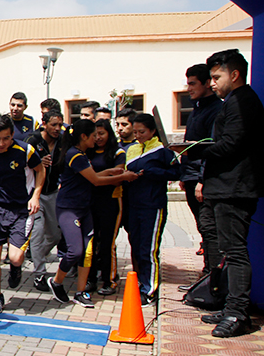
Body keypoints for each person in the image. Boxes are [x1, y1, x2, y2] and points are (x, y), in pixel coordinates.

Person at [178, 49, 264, 337]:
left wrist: (193, 149)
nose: (212, 83)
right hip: (226, 186)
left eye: (216, 77)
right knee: (229, 251)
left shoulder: (243, 102)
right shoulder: (233, 102)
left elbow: (231, 145)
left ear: (235, 74)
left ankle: (238, 313)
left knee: (236, 252)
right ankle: (230, 304)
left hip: (235, 187)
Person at [46, 120, 137, 307]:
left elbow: (91, 175)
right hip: (69, 209)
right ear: (84, 137)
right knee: (75, 251)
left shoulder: (82, 154)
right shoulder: (75, 155)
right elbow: (95, 180)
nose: (97, 138)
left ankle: (81, 292)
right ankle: (56, 281)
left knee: (87, 252)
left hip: (84, 209)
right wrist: (123, 177)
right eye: (94, 135)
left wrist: (111, 171)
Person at [0, 114, 45, 313]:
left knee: (15, 258)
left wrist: (35, 196)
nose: (1, 143)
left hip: (21, 210)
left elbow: (41, 171)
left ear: (13, 135)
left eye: (6, 138)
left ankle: (15, 268)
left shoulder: (25, 151)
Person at [125, 112, 179, 307]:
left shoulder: (162, 151)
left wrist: (154, 173)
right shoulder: (131, 150)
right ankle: (140, 283)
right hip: (133, 206)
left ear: (152, 131)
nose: (138, 135)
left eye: (142, 131)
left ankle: (150, 289)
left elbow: (177, 172)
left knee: (149, 249)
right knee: (137, 247)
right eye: (135, 131)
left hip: (153, 206)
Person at [177, 63, 222, 289]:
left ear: (206, 84)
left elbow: (211, 149)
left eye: (193, 83)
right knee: (203, 227)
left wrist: (202, 180)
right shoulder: (197, 108)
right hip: (192, 176)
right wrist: (185, 174)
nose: (189, 88)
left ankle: (213, 281)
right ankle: (207, 277)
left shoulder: (216, 110)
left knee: (209, 228)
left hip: (204, 180)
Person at [24, 110, 65, 289]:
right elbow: (22, 165)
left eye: (60, 125)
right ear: (44, 124)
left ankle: (36, 253)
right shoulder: (32, 141)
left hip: (53, 192)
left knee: (56, 234)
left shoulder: (63, 142)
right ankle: (39, 274)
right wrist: (38, 163)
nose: (57, 129)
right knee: (38, 232)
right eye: (54, 125)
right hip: (35, 195)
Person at [87, 119, 126, 296]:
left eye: (101, 133)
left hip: (111, 201)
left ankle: (110, 280)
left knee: (107, 243)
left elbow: (119, 175)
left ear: (109, 133)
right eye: (95, 134)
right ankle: (91, 279)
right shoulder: (88, 152)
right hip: (90, 201)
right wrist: (104, 174)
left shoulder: (117, 152)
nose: (98, 137)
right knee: (91, 242)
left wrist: (95, 177)